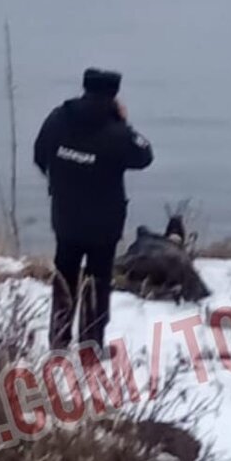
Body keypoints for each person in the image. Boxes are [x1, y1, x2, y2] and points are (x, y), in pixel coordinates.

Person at [34, 67, 154, 351]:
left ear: (85, 88)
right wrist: (124, 123)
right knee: (97, 281)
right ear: (114, 95)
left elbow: (39, 155)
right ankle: (91, 345)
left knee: (65, 277)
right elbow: (144, 155)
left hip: (65, 216)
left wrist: (63, 177)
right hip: (104, 222)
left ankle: (59, 340)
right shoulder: (117, 132)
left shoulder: (57, 119)